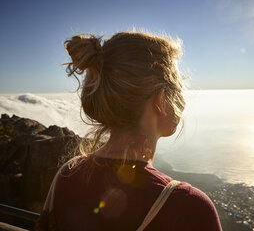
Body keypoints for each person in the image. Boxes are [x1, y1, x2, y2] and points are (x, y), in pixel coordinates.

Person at [35, 31, 222, 231]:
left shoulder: (67, 175)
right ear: (160, 99)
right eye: (177, 88)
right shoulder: (189, 208)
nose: (182, 100)